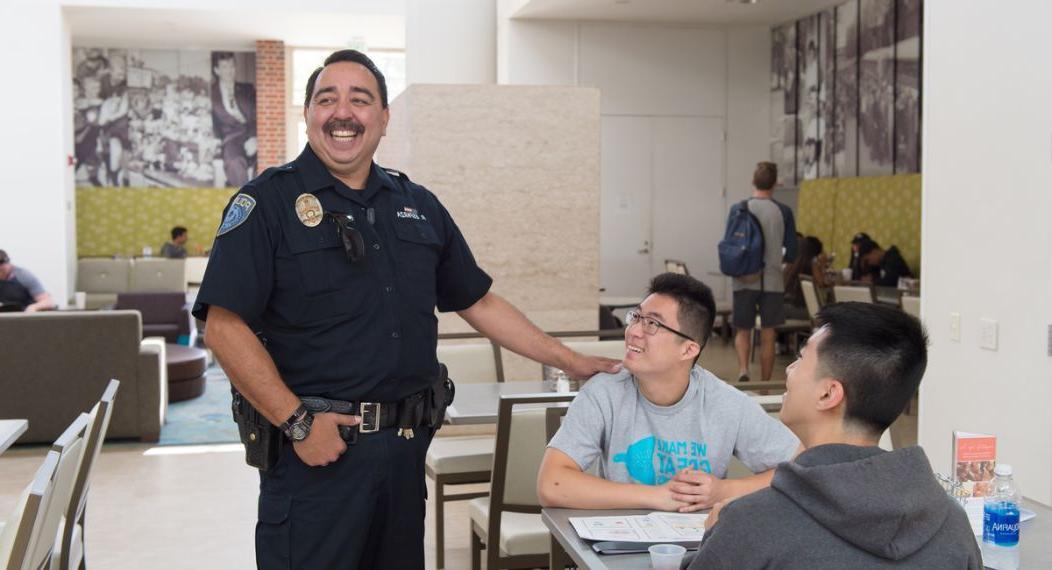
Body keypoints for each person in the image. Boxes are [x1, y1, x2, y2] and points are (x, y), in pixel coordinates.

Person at [192, 49, 620, 569]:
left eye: (360, 99)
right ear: (308, 115)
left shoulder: (417, 204)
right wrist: (299, 423)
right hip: (315, 459)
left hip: (403, 453)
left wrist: (572, 361)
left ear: (384, 118)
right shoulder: (267, 204)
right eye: (326, 99)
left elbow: (478, 300)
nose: (342, 112)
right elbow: (223, 327)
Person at [686, 303, 981, 569]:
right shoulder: (952, 523)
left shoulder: (751, 523)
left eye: (800, 359)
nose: (789, 369)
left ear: (828, 393)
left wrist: (713, 536)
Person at [538, 273, 800, 512]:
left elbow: (804, 467)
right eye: (637, 317)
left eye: (652, 324)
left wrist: (725, 491)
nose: (633, 331)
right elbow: (552, 484)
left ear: (688, 350)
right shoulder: (604, 392)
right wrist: (657, 496)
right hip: (618, 543)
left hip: (702, 548)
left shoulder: (725, 402)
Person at [729, 162, 798, 383]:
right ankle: (766, 385)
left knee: (743, 329)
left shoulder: (738, 209)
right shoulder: (784, 212)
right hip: (772, 280)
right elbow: (792, 252)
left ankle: (743, 369)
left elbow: (730, 245)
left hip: (744, 278)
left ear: (753, 181)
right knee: (768, 334)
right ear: (775, 184)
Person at [210, 51, 257, 188]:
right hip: (231, 138)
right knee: (234, 161)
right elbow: (212, 120)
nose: (229, 71)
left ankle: (262, 201)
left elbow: (256, 114)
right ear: (217, 70)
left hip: (251, 134)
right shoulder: (211, 93)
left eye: (232, 66)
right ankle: (244, 202)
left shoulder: (248, 89)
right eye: (224, 67)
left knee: (263, 164)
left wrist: (254, 137)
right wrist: (215, 139)